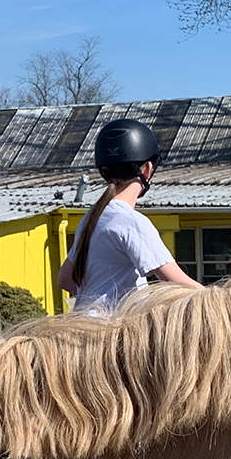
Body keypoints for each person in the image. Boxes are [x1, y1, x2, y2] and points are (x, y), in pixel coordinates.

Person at [59, 118, 203, 313]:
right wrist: (220, 300)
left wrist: (101, 295)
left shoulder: (92, 216)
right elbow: (175, 281)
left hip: (84, 326)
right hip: (113, 334)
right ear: (148, 169)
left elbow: (65, 279)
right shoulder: (131, 222)